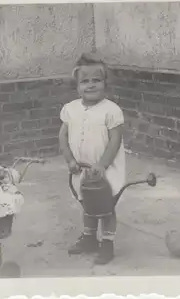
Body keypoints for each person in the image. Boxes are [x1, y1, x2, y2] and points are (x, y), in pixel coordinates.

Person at [59, 52, 126, 265]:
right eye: (84, 81)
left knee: (105, 206)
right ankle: (89, 237)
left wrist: (103, 164)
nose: (90, 85)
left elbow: (115, 139)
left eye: (96, 80)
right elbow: (63, 135)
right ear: (77, 85)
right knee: (87, 204)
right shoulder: (70, 109)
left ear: (105, 83)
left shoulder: (111, 110)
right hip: (81, 168)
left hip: (105, 168)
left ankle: (107, 242)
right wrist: (70, 160)